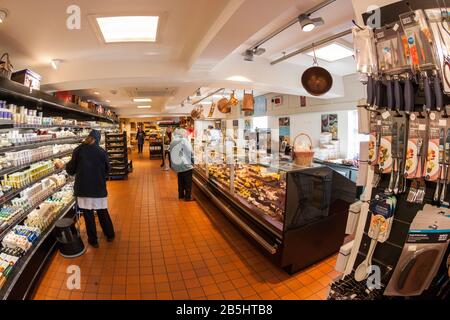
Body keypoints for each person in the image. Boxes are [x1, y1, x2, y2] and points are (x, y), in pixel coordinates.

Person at [64, 130, 115, 248]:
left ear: (88, 138)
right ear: (97, 139)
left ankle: (93, 240)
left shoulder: (78, 150)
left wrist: (67, 166)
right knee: (102, 212)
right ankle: (110, 234)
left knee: (88, 215)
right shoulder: (102, 152)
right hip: (98, 188)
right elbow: (108, 170)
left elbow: (71, 170)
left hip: (83, 188)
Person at [170, 128, 194, 201]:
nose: (187, 135)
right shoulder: (184, 141)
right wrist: (193, 160)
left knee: (180, 180)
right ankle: (187, 197)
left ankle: (181, 195)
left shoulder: (173, 141)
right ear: (183, 134)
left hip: (177, 165)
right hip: (185, 164)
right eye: (186, 133)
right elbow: (190, 151)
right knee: (187, 181)